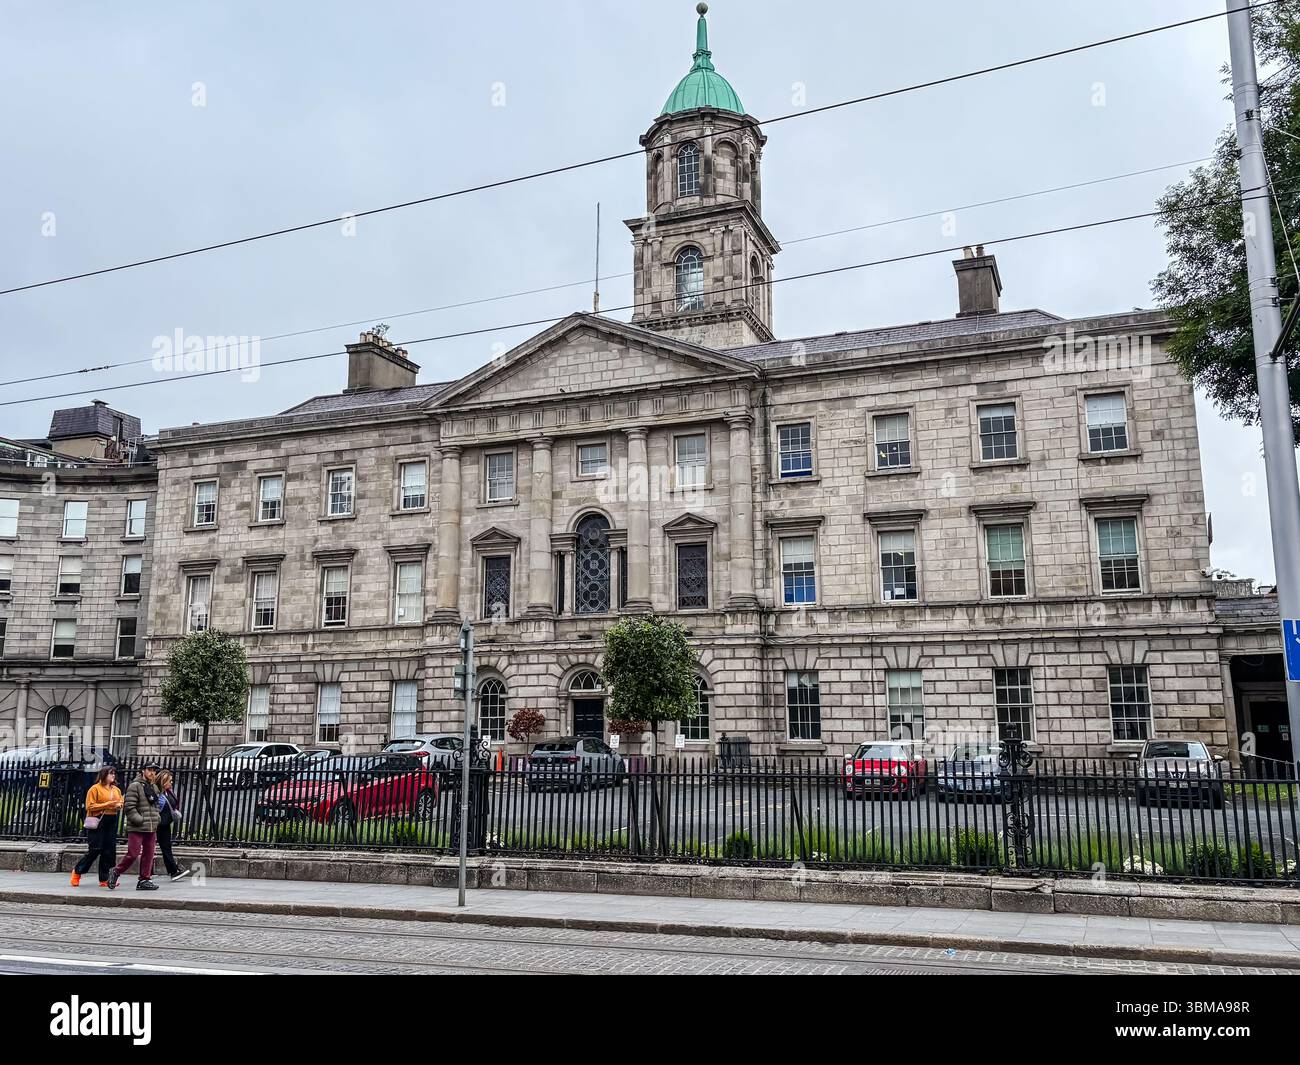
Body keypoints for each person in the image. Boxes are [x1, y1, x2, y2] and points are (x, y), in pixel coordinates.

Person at [108, 761, 162, 891]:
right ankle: (116, 871)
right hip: (137, 827)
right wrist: (140, 819)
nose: (152, 773)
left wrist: (157, 818)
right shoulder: (135, 786)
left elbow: (156, 805)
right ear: (143, 771)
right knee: (133, 853)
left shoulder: (154, 787)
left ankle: (144, 879)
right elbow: (129, 807)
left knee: (149, 854)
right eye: (149, 770)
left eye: (154, 770)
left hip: (151, 826)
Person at [71, 766, 123, 888]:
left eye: (114, 774)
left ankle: (105, 878)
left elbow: (120, 800)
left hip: (112, 818)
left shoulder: (116, 789)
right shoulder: (95, 789)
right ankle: (77, 871)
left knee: (109, 850)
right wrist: (108, 804)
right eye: (111, 774)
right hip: (98, 819)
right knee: (95, 848)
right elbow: (90, 806)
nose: (113, 776)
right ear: (104, 775)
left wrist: (119, 804)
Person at [154, 770, 190, 882]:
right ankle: (172, 870)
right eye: (170, 781)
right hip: (156, 825)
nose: (172, 782)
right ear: (163, 782)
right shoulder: (157, 794)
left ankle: (173, 870)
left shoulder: (168, 792)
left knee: (166, 848)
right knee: (150, 849)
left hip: (165, 824)